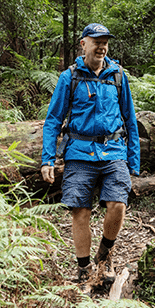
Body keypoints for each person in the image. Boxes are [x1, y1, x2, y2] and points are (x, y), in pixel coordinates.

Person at [41, 23, 140, 291]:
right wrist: (47, 159)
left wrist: (134, 160)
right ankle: (84, 267)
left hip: (113, 152)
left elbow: (130, 119)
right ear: (83, 43)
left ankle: (104, 255)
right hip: (79, 153)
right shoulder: (69, 77)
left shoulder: (118, 75)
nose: (101, 46)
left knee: (118, 204)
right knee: (80, 211)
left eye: (105, 41)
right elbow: (53, 120)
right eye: (96, 41)